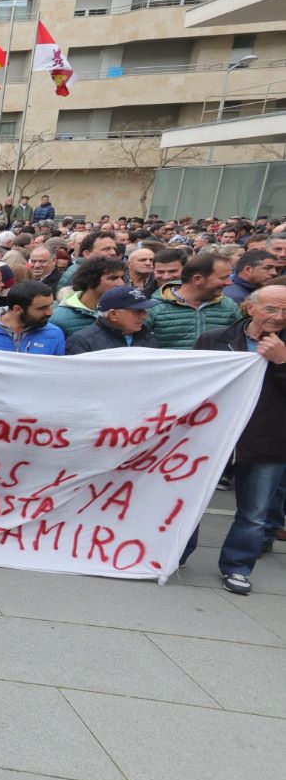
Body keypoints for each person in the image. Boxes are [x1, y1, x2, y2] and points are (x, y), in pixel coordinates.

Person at [197, 283, 286, 595]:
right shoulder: (215, 339)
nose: (278, 316)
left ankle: (237, 567)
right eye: (271, 308)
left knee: (254, 513)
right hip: (213, 437)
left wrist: (282, 363)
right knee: (189, 499)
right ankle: (177, 553)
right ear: (251, 308)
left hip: (268, 442)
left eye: (285, 311)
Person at [145, 250, 243, 349]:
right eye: (223, 278)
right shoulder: (155, 308)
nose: (229, 283)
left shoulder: (229, 306)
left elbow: (242, 341)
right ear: (197, 279)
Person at [66, 286, 162, 353]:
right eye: (137, 311)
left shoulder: (148, 335)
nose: (144, 315)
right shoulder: (82, 342)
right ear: (113, 315)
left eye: (144, 310)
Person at [51, 257, 127, 338]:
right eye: (113, 278)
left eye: (122, 278)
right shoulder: (58, 318)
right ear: (91, 280)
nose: (121, 283)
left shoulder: (129, 310)